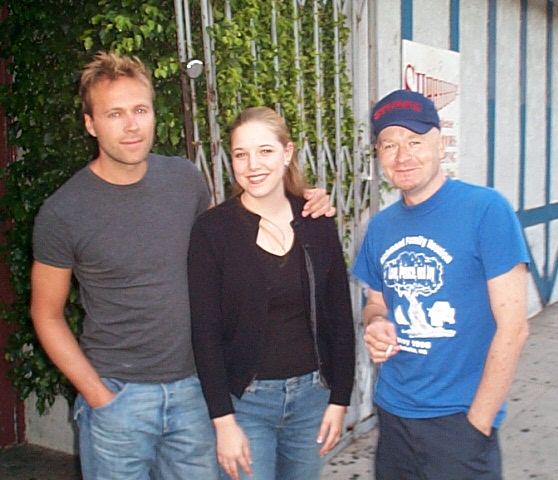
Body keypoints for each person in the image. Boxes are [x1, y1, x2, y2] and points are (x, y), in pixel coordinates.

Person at [29, 51, 334, 480]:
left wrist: (303, 204)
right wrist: (98, 397)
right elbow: (46, 314)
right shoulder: (63, 212)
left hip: (194, 392)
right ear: (90, 124)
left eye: (140, 110)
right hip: (118, 397)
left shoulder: (184, 179)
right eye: (115, 114)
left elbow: (233, 245)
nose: (132, 125)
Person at [351, 89, 530, 480]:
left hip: (459, 421)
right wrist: (376, 322)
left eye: (415, 141)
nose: (403, 156)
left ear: (441, 144)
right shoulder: (380, 227)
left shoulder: (486, 210)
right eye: (389, 145)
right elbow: (375, 302)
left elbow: (514, 328)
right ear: (379, 155)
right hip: (394, 416)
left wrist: (478, 423)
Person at [188, 106, 355, 480]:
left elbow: (340, 315)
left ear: (287, 152)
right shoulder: (212, 231)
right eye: (240, 154)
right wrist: (223, 420)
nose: (253, 165)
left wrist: (340, 398)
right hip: (246, 403)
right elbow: (205, 332)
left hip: (312, 399)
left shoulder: (316, 220)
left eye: (265, 151)